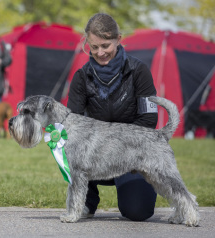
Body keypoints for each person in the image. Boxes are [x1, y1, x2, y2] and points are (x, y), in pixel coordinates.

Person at [67, 13, 158, 221]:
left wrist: (115, 147)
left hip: (131, 155)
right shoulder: (81, 77)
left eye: (106, 45)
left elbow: (149, 120)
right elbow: (72, 124)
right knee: (68, 146)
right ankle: (87, 202)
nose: (100, 52)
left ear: (119, 39)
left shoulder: (140, 71)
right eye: (94, 46)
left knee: (138, 211)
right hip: (94, 156)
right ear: (87, 44)